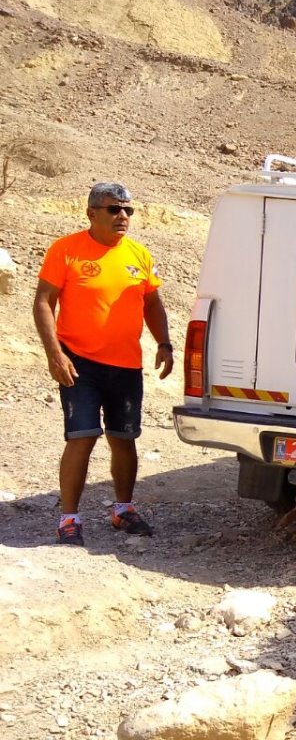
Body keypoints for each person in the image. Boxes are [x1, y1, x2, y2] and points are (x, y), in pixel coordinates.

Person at [33, 183, 173, 545]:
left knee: (124, 439)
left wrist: (164, 342)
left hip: (125, 364)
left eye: (128, 210)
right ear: (92, 213)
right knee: (82, 436)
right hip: (78, 362)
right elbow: (44, 302)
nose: (123, 216)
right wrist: (54, 353)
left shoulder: (138, 254)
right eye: (114, 209)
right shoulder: (66, 250)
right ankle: (69, 518)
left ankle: (123, 510)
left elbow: (152, 304)